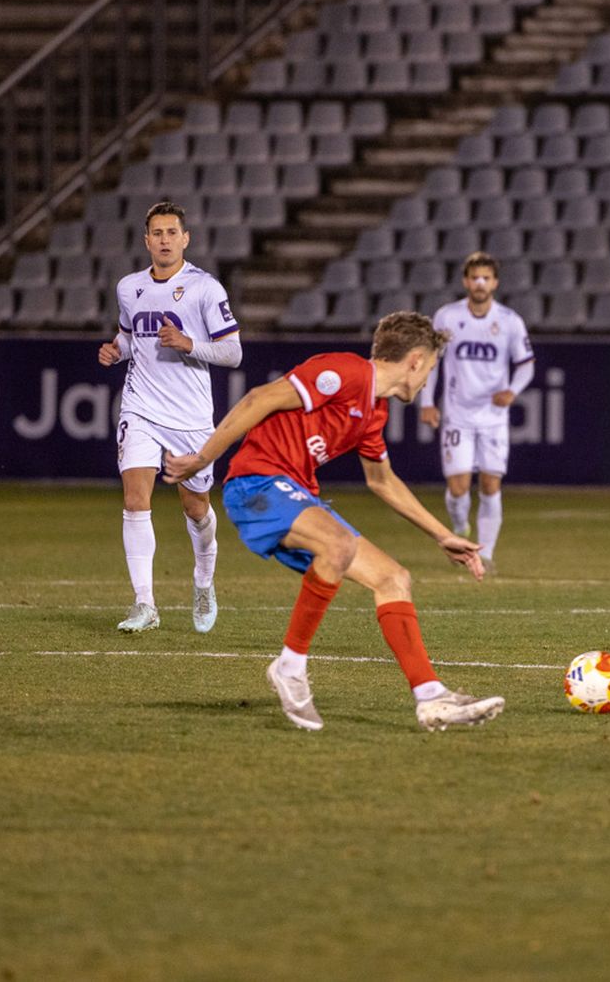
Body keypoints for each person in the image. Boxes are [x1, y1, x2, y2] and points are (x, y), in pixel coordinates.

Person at [164, 311, 505, 732]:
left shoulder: (374, 411)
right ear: (415, 361)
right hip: (257, 484)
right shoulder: (344, 372)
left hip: (294, 494)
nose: (426, 379)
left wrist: (442, 535)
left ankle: (430, 697)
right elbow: (258, 399)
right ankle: (290, 667)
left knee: (393, 578)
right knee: (340, 544)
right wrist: (201, 459)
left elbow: (382, 481)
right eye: (431, 369)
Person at [98, 201, 241, 634]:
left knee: (196, 508)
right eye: (156, 233)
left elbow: (233, 352)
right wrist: (115, 349)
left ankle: (203, 581)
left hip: (190, 415)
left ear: (185, 239)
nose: (163, 240)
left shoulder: (205, 288)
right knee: (134, 499)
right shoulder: (129, 287)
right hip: (140, 405)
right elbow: (128, 336)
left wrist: (187, 343)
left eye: (171, 233)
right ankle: (145, 603)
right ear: (147, 241)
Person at [418, 251, 534, 570]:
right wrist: (427, 402)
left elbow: (525, 365)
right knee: (457, 488)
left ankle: (485, 554)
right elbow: (431, 362)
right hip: (457, 414)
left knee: (490, 485)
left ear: (495, 283)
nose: (480, 283)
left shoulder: (509, 321)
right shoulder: (446, 317)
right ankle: (459, 529)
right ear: (465, 281)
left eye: (486, 277)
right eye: (474, 277)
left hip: (493, 418)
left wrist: (512, 390)